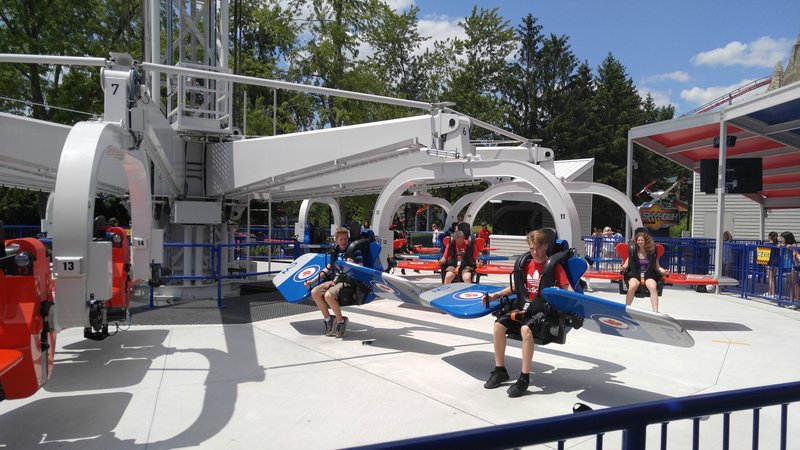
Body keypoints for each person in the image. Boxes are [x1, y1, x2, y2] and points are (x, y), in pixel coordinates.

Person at [482, 229, 574, 398]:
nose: (535, 252)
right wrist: (496, 295)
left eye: (538, 248)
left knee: (525, 329)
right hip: (525, 307)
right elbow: (516, 288)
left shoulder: (554, 267)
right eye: (532, 248)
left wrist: (575, 304)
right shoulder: (526, 265)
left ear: (546, 246)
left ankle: (524, 378)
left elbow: (568, 289)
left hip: (543, 311)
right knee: (498, 326)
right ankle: (500, 370)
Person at [304, 227, 361, 337]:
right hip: (335, 279)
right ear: (336, 240)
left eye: (345, 239)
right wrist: (312, 281)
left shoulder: (354, 250)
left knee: (328, 295)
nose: (343, 241)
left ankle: (341, 321)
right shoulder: (335, 251)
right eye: (341, 239)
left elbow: (361, 266)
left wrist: (352, 264)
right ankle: (328, 319)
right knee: (314, 292)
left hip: (348, 280)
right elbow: (328, 268)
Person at [620, 231, 668, 313]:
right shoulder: (633, 252)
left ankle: (655, 311)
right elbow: (625, 265)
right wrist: (622, 268)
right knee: (632, 286)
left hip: (649, 276)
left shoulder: (651, 253)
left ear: (646, 241)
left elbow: (658, 267)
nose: (640, 242)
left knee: (653, 287)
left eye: (642, 240)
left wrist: (664, 272)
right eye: (638, 240)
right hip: (635, 275)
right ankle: (626, 309)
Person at [780, 232, 800, 306]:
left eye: (782, 238)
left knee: (795, 283)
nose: (780, 239)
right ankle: (791, 301)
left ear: (787, 238)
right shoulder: (784, 245)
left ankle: (797, 301)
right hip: (787, 266)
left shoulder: (793, 245)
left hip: (793, 266)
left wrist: (791, 248)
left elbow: (795, 253)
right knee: (791, 284)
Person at [766, 231, 780, 298]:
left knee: (770, 278)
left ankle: (772, 292)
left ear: (769, 237)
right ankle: (770, 291)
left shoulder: (767, 245)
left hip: (770, 262)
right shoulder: (777, 245)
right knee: (773, 278)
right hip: (776, 263)